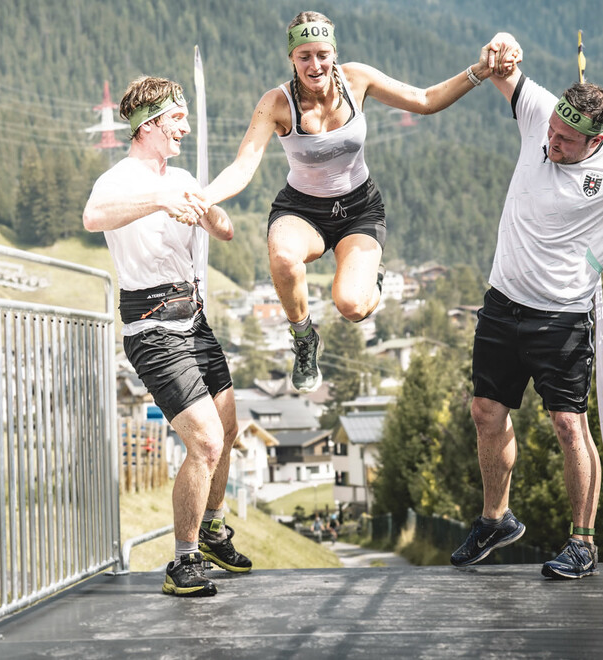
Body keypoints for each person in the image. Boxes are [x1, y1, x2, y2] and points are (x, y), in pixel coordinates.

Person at [449, 34, 603, 579]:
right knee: (486, 412)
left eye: (565, 140)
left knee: (567, 423)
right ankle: (496, 518)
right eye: (552, 131)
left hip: (561, 315)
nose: (551, 142)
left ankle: (582, 543)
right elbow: (502, 71)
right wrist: (503, 47)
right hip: (502, 299)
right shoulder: (540, 113)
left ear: (595, 140)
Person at [202, 11, 500, 392]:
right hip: (301, 210)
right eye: (304, 56)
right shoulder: (276, 103)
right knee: (283, 258)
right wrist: (204, 197)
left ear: (335, 54)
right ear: (291, 58)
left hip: (360, 209)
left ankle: (372, 276)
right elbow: (243, 167)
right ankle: (304, 338)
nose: (315, 65)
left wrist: (478, 72)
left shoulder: (356, 79)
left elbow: (424, 99)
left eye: (322, 54)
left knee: (353, 306)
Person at [83, 75, 252, 597]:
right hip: (151, 325)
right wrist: (158, 199)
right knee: (203, 440)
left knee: (228, 430)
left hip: (194, 318)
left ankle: (212, 531)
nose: (184, 126)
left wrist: (208, 211)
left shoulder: (181, 176)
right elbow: (93, 219)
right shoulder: (118, 179)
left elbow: (224, 231)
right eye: (176, 119)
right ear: (150, 124)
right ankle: (181, 563)